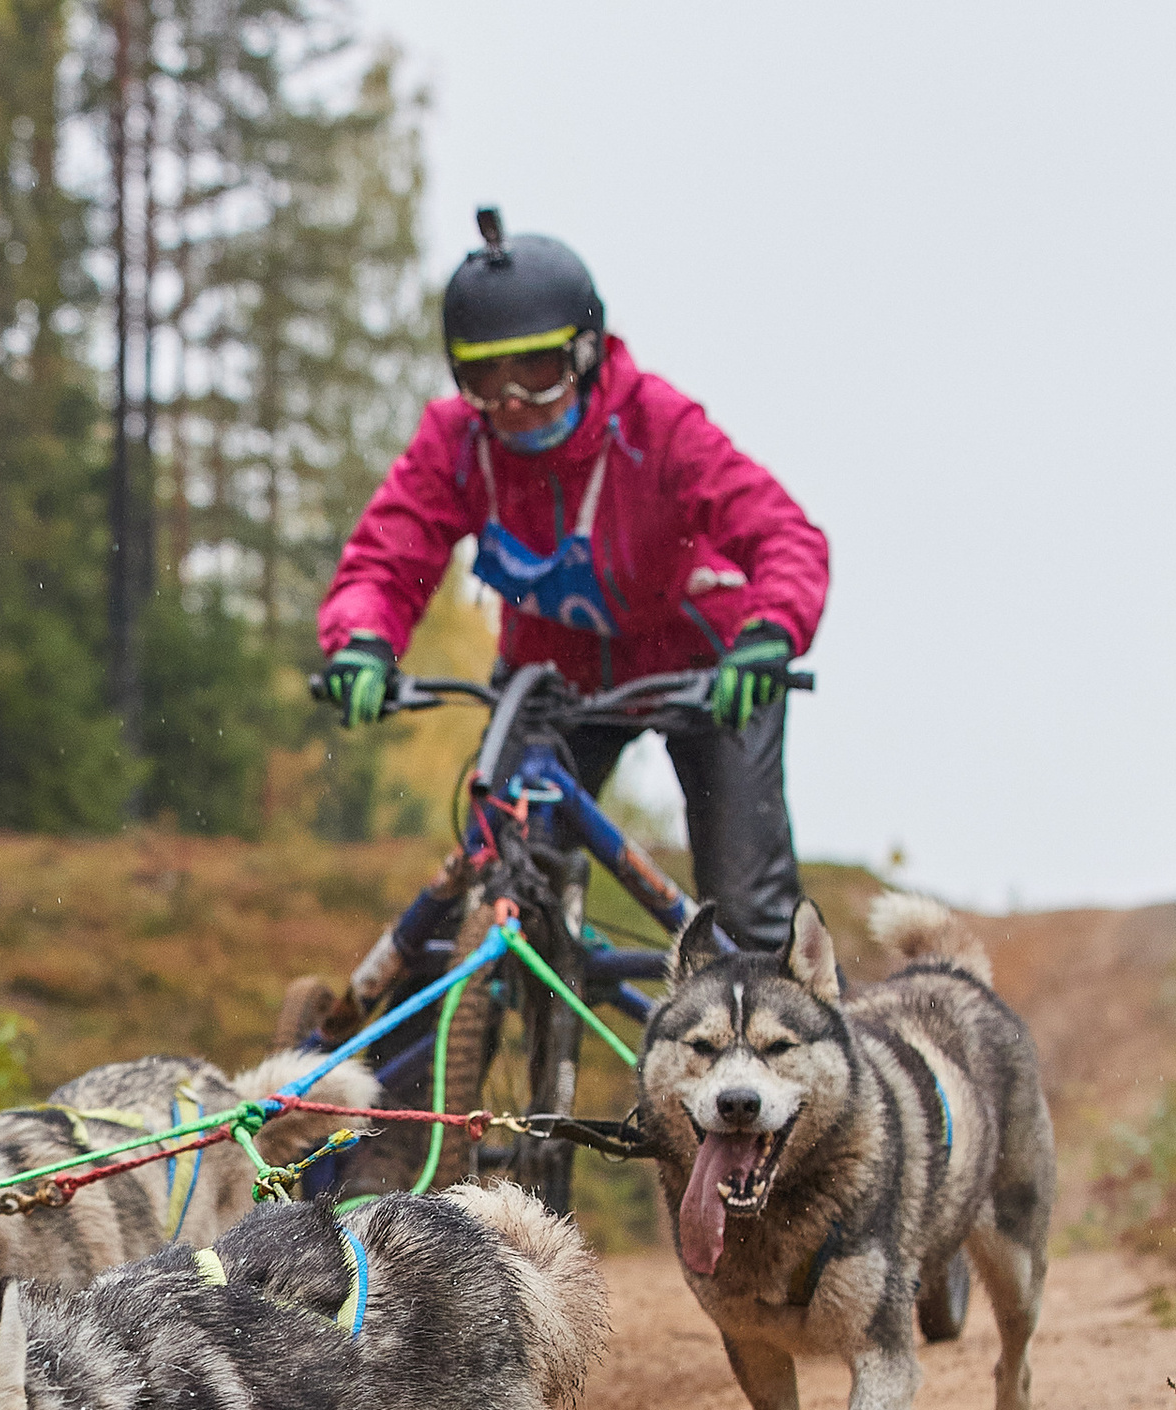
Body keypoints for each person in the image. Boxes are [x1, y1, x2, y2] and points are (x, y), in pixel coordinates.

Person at [316, 210, 828, 954]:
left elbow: (785, 535)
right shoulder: (457, 445)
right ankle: (473, 1028)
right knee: (501, 870)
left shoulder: (657, 426)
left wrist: (769, 634)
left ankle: (803, 1044)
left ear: (585, 356)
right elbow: (386, 559)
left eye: (534, 370)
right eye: (483, 377)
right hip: (554, 678)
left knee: (748, 908)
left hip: (708, 670)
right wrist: (362, 640)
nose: (512, 401)